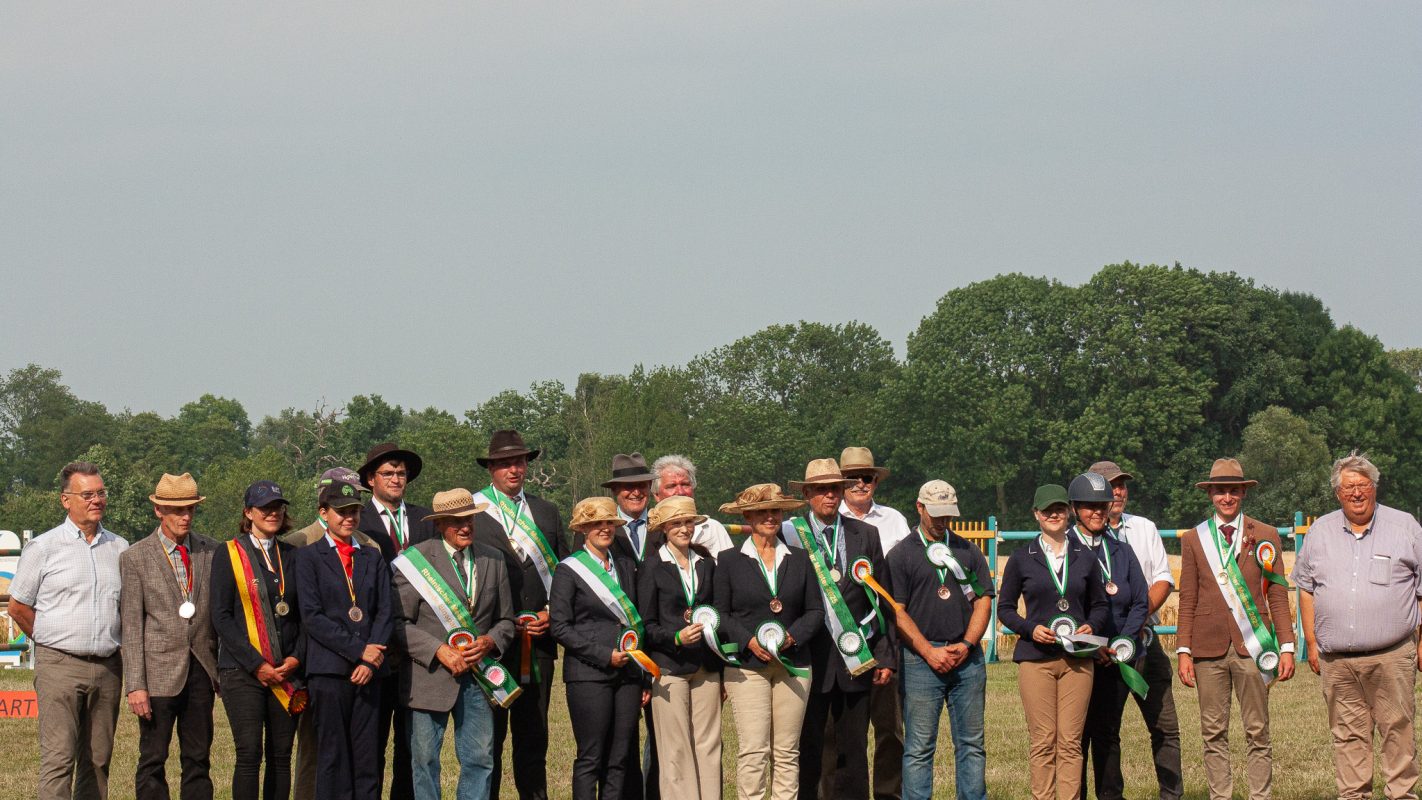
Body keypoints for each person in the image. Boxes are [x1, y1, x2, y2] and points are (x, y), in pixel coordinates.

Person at [1294, 452, 1422, 800]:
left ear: (1374, 488)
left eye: (1363, 486)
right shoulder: (1319, 532)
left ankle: (1402, 795)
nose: (1356, 493)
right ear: (1337, 492)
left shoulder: (1405, 526)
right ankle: (1354, 796)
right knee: (1348, 736)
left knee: (1398, 730)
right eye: (1348, 487)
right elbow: (1305, 589)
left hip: (1392, 655)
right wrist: (1311, 640)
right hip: (1338, 662)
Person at [8, 461, 129, 800]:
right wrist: (50, 641)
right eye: (87, 494)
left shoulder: (120, 548)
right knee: (58, 759)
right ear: (65, 499)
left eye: (101, 493)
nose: (96, 500)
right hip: (59, 665)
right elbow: (18, 607)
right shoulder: (43, 548)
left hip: (108, 668)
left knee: (98, 760)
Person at [1176, 458, 1295, 800]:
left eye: (1233, 490)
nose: (1226, 497)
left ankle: (1261, 796)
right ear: (1210, 494)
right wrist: (1183, 650)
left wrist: (1286, 646)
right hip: (1207, 648)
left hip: (1254, 645)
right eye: (1220, 491)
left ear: (1243, 493)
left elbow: (1276, 591)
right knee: (1213, 733)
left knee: (1257, 730)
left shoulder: (1266, 535)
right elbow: (1188, 598)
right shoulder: (1194, 539)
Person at [392, 488, 517, 800]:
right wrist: (437, 649)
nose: (465, 527)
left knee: (480, 759)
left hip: (478, 679)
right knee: (424, 760)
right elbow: (397, 624)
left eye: (469, 519)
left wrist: (490, 641)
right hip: (428, 677)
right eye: (455, 521)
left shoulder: (493, 558)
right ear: (439, 524)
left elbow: (506, 620)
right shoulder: (414, 562)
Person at [782, 457, 894, 800]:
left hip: (856, 656)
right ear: (807, 494)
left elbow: (882, 599)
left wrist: (885, 655)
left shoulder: (866, 535)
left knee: (853, 748)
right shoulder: (790, 534)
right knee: (810, 746)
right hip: (808, 657)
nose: (829, 496)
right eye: (820, 490)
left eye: (834, 489)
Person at [471, 430, 567, 800]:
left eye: (520, 462)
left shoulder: (546, 511)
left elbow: (565, 573)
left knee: (534, 736)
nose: (515, 469)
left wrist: (551, 612)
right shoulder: (475, 513)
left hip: (538, 642)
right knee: (488, 741)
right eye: (506, 463)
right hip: (493, 644)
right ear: (491, 468)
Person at [996, 484, 1108, 800]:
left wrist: (1092, 625)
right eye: (1047, 510)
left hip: (1078, 660)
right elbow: (1004, 608)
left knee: (1071, 741)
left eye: (1059, 509)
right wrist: (1029, 629)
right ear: (1036, 514)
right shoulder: (1021, 558)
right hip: (1035, 658)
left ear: (1069, 512)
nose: (1054, 515)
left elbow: (1100, 605)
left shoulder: (1085, 556)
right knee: (1043, 740)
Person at [714, 484, 824, 800]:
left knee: (788, 751)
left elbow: (815, 611)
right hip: (747, 668)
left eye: (775, 510)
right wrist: (747, 640)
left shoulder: (801, 559)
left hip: (794, 666)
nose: (770, 516)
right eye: (762, 511)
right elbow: (721, 612)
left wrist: (793, 636)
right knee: (753, 750)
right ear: (748, 516)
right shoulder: (729, 560)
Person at [887, 479, 992, 800]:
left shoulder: (967, 551)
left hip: (967, 661)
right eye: (936, 513)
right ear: (919, 508)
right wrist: (928, 652)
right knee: (919, 749)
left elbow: (983, 600)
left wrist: (968, 644)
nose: (942, 520)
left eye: (948, 514)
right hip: (920, 663)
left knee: (972, 745)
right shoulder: (901, 554)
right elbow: (897, 611)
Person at [120, 472, 220, 800]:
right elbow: (132, 627)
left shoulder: (212, 551)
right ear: (158, 511)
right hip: (157, 675)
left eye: (190, 509)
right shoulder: (135, 557)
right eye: (177, 510)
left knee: (198, 759)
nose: (185, 516)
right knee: (152, 759)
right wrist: (136, 685)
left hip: (201, 671)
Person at [293, 479, 394, 800]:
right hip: (329, 672)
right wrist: (359, 651)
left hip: (369, 673)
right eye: (341, 512)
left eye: (354, 512)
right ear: (323, 513)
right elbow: (312, 616)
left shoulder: (372, 557)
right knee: (332, 757)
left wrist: (370, 659)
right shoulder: (307, 557)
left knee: (367, 759)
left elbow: (384, 612)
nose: (349, 518)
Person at [1087, 460, 1182, 800]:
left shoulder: (1144, 528)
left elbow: (1163, 580)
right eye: (1111, 485)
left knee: (1165, 727)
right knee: (1106, 730)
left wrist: (1134, 625)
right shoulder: (1080, 538)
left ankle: (1171, 794)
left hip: (1144, 642)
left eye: (1123, 485)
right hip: (1101, 650)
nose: (1119, 491)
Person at [209, 480, 305, 800]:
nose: (273, 513)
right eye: (265, 508)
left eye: (278, 506)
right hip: (243, 671)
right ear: (248, 513)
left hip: (286, 671)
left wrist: (295, 658)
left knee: (281, 756)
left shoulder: (293, 555)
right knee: (249, 755)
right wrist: (257, 664)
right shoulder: (227, 553)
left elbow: (305, 615)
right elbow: (221, 617)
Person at [549, 498, 647, 800]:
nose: (604, 529)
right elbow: (560, 626)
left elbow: (637, 621)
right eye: (596, 524)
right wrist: (604, 655)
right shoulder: (568, 570)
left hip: (629, 674)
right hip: (588, 674)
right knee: (591, 757)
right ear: (583, 529)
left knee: (619, 759)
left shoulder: (626, 566)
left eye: (608, 523)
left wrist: (642, 674)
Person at [357, 442, 434, 800]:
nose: (396, 479)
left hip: (417, 644)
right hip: (376, 646)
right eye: (388, 473)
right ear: (371, 479)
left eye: (401, 473)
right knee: (372, 745)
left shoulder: (424, 520)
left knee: (412, 746)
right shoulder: (357, 520)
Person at [1066, 472, 1148, 800]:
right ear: (1075, 509)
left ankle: (1111, 795)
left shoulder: (1122, 552)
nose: (1097, 512)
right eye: (1089, 506)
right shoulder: (1064, 550)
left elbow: (1140, 601)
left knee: (1108, 734)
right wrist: (1090, 646)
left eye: (1102, 505)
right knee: (1077, 735)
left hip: (1117, 658)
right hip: (1079, 659)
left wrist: (1123, 642)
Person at [837, 446, 911, 800]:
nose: (859, 484)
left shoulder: (895, 521)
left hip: (881, 637)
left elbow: (897, 585)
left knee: (889, 732)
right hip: (836, 646)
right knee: (838, 734)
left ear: (875, 482)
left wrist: (889, 649)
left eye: (866, 477)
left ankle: (888, 795)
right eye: (851, 478)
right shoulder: (812, 523)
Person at [637, 496, 721, 800]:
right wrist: (675, 638)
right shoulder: (650, 567)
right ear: (664, 528)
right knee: (675, 749)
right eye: (676, 523)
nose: (684, 529)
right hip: (668, 667)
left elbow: (716, 613)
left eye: (688, 522)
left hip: (706, 667)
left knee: (710, 745)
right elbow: (645, 624)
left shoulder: (707, 564)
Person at [649, 455, 733, 556]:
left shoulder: (712, 529)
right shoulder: (647, 535)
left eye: (685, 484)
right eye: (672, 486)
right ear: (656, 495)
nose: (680, 492)